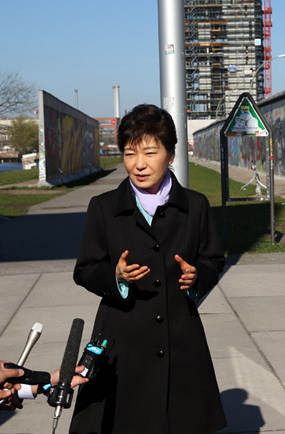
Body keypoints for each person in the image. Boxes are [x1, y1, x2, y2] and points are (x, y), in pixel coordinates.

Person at [70, 104, 226, 434]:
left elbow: (213, 260)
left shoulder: (195, 206)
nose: (139, 164)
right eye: (129, 154)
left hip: (180, 340)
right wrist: (116, 277)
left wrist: (197, 276)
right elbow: (85, 269)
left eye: (150, 153)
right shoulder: (103, 208)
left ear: (170, 155)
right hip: (121, 343)